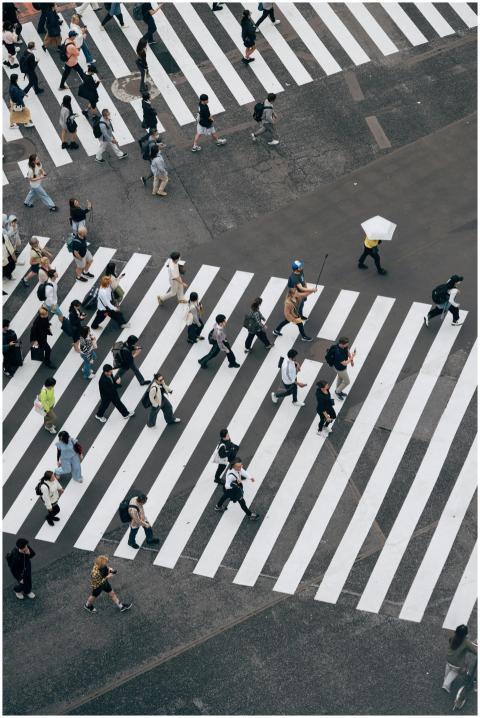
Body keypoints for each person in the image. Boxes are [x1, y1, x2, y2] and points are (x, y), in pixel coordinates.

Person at [442, 625, 477, 693]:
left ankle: (446, 680)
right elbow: (475, 651)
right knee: (454, 672)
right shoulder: (466, 642)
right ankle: (446, 685)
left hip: (448, 659)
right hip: (457, 664)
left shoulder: (453, 637)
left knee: (448, 670)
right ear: (465, 634)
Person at [332, 336, 356, 401]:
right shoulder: (338, 352)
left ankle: (339, 390)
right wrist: (352, 357)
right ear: (342, 344)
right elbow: (344, 363)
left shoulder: (344, 346)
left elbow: (348, 352)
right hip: (340, 369)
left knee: (340, 377)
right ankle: (337, 391)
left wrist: (351, 361)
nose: (347, 345)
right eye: (346, 344)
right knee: (347, 381)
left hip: (341, 368)